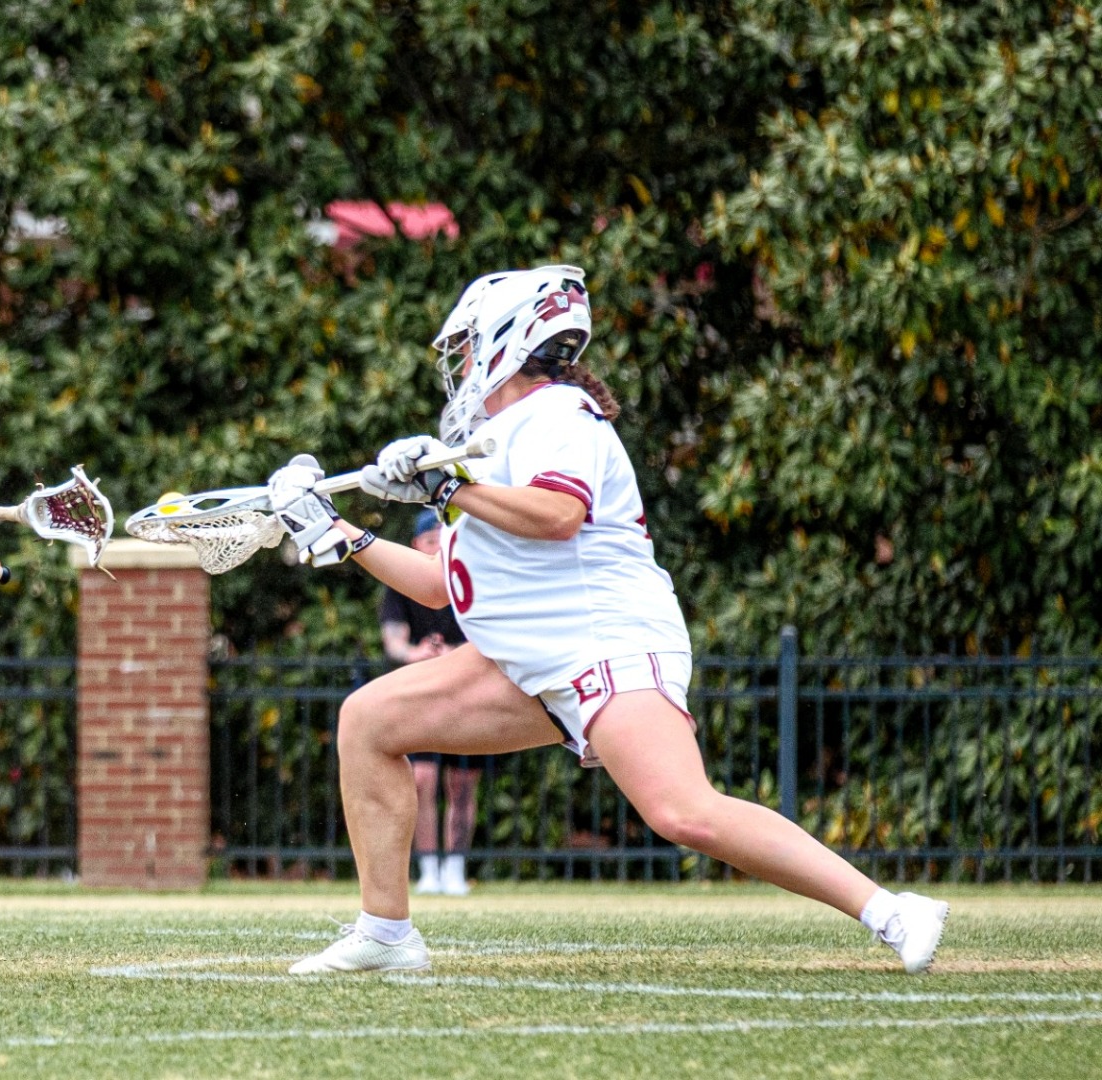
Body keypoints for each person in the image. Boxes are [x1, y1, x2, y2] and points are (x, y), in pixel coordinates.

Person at [268, 264, 949, 975]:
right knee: (369, 721)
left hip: (605, 644)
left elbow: (560, 514)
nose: (463, 367)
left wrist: (447, 487)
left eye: (469, 349)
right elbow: (444, 587)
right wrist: (341, 533)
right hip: (534, 659)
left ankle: (891, 910)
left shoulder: (559, 414)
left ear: (509, 340)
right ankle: (386, 933)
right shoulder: (498, 441)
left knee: (682, 811)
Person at [378, 508, 479, 897]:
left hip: (464, 693)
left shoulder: (467, 579)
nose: (437, 547)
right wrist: (416, 653)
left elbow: (485, 637)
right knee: (421, 780)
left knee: (462, 783)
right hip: (422, 692)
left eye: (443, 540)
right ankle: (428, 869)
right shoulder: (400, 586)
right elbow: (394, 642)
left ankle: (455, 868)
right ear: (416, 545)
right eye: (430, 541)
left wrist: (455, 654)